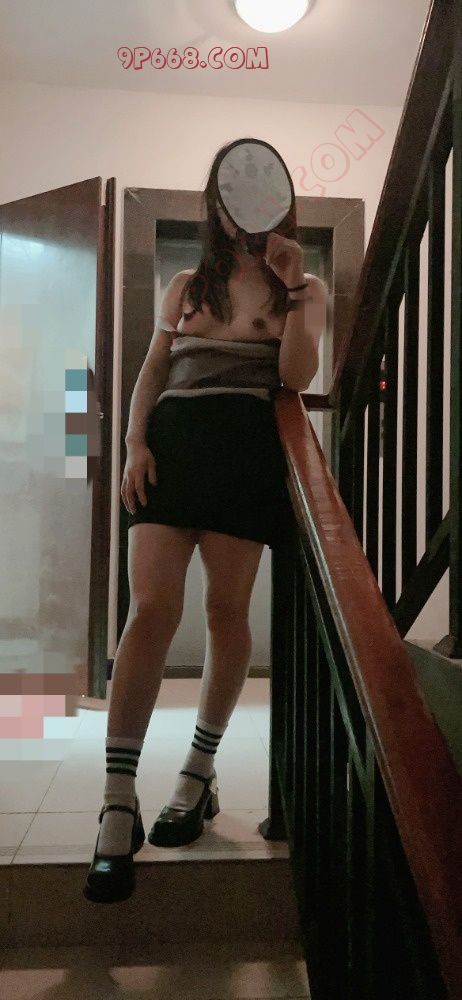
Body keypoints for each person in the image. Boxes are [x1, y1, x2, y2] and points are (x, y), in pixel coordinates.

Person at [84, 139, 327, 903]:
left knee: (226, 612)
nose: (244, 212)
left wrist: (294, 288)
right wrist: (133, 443)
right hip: (170, 450)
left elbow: (294, 375)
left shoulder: (306, 288)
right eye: (232, 197)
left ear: (282, 205)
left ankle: (197, 772)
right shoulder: (186, 285)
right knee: (151, 609)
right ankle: (117, 801)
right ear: (216, 208)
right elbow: (153, 370)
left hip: (243, 455)